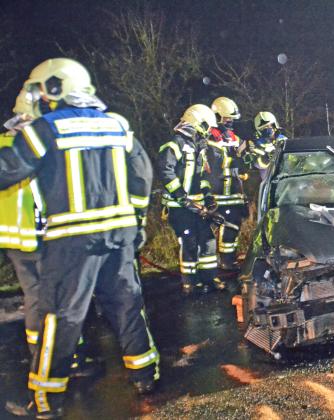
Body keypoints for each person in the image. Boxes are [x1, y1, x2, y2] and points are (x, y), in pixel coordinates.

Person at [0, 58, 159, 419]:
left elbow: (9, 170)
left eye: (41, 90)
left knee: (61, 317)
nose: (40, 98)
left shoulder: (44, 129)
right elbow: (142, 174)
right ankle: (145, 374)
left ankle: (46, 399)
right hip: (119, 235)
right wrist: (136, 219)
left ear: (56, 88)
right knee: (127, 304)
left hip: (72, 240)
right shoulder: (118, 125)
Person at [159, 104, 225, 295]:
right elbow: (165, 172)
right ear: (197, 122)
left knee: (208, 241)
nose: (208, 131)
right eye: (206, 126)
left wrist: (209, 197)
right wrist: (181, 196)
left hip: (197, 206)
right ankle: (189, 281)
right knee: (189, 241)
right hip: (179, 206)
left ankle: (210, 277)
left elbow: (202, 177)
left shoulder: (200, 148)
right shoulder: (175, 144)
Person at [207, 97, 249, 270]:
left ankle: (228, 261)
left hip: (233, 194)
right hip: (215, 194)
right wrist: (234, 158)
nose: (230, 122)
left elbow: (245, 160)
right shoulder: (209, 138)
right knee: (208, 231)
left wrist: (247, 156)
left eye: (232, 119)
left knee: (232, 227)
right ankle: (207, 265)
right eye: (226, 119)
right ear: (216, 117)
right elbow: (214, 164)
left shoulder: (234, 138)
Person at [250, 111, 287, 180]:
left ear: (275, 125)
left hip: (286, 177)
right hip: (269, 180)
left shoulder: (283, 140)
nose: (268, 129)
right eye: (264, 128)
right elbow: (258, 164)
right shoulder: (258, 144)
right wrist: (266, 157)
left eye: (269, 125)